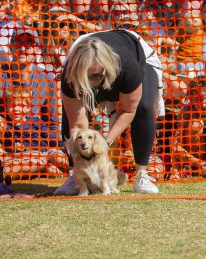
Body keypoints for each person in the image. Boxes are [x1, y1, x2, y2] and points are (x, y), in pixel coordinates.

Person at [53, 29, 165, 194]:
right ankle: (75, 175)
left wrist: (105, 142)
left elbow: (128, 110)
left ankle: (142, 174)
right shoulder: (70, 75)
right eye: (86, 77)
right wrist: (80, 153)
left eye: (95, 76)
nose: (91, 82)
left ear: (105, 68)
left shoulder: (127, 67)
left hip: (137, 54)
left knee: (144, 106)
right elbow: (77, 124)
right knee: (68, 115)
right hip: (94, 66)